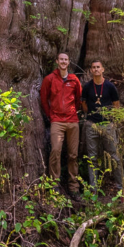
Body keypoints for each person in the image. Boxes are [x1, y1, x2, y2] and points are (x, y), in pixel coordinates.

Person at [40, 52, 82, 197]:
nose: (63, 62)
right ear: (57, 61)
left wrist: (72, 112)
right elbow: (44, 99)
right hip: (57, 121)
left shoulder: (74, 80)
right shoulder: (50, 79)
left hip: (72, 121)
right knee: (55, 151)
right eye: (61, 59)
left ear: (69, 62)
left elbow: (78, 99)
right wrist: (51, 115)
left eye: (66, 59)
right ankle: (54, 184)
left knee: (73, 155)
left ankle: (73, 186)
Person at [81, 58, 124, 191]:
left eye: (98, 67)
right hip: (91, 125)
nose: (96, 69)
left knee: (114, 157)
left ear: (103, 69)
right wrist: (92, 117)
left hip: (107, 125)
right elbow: (84, 105)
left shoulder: (110, 87)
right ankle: (94, 189)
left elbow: (116, 105)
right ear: (90, 70)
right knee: (92, 158)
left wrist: (111, 121)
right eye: (93, 67)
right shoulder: (87, 87)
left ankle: (120, 187)